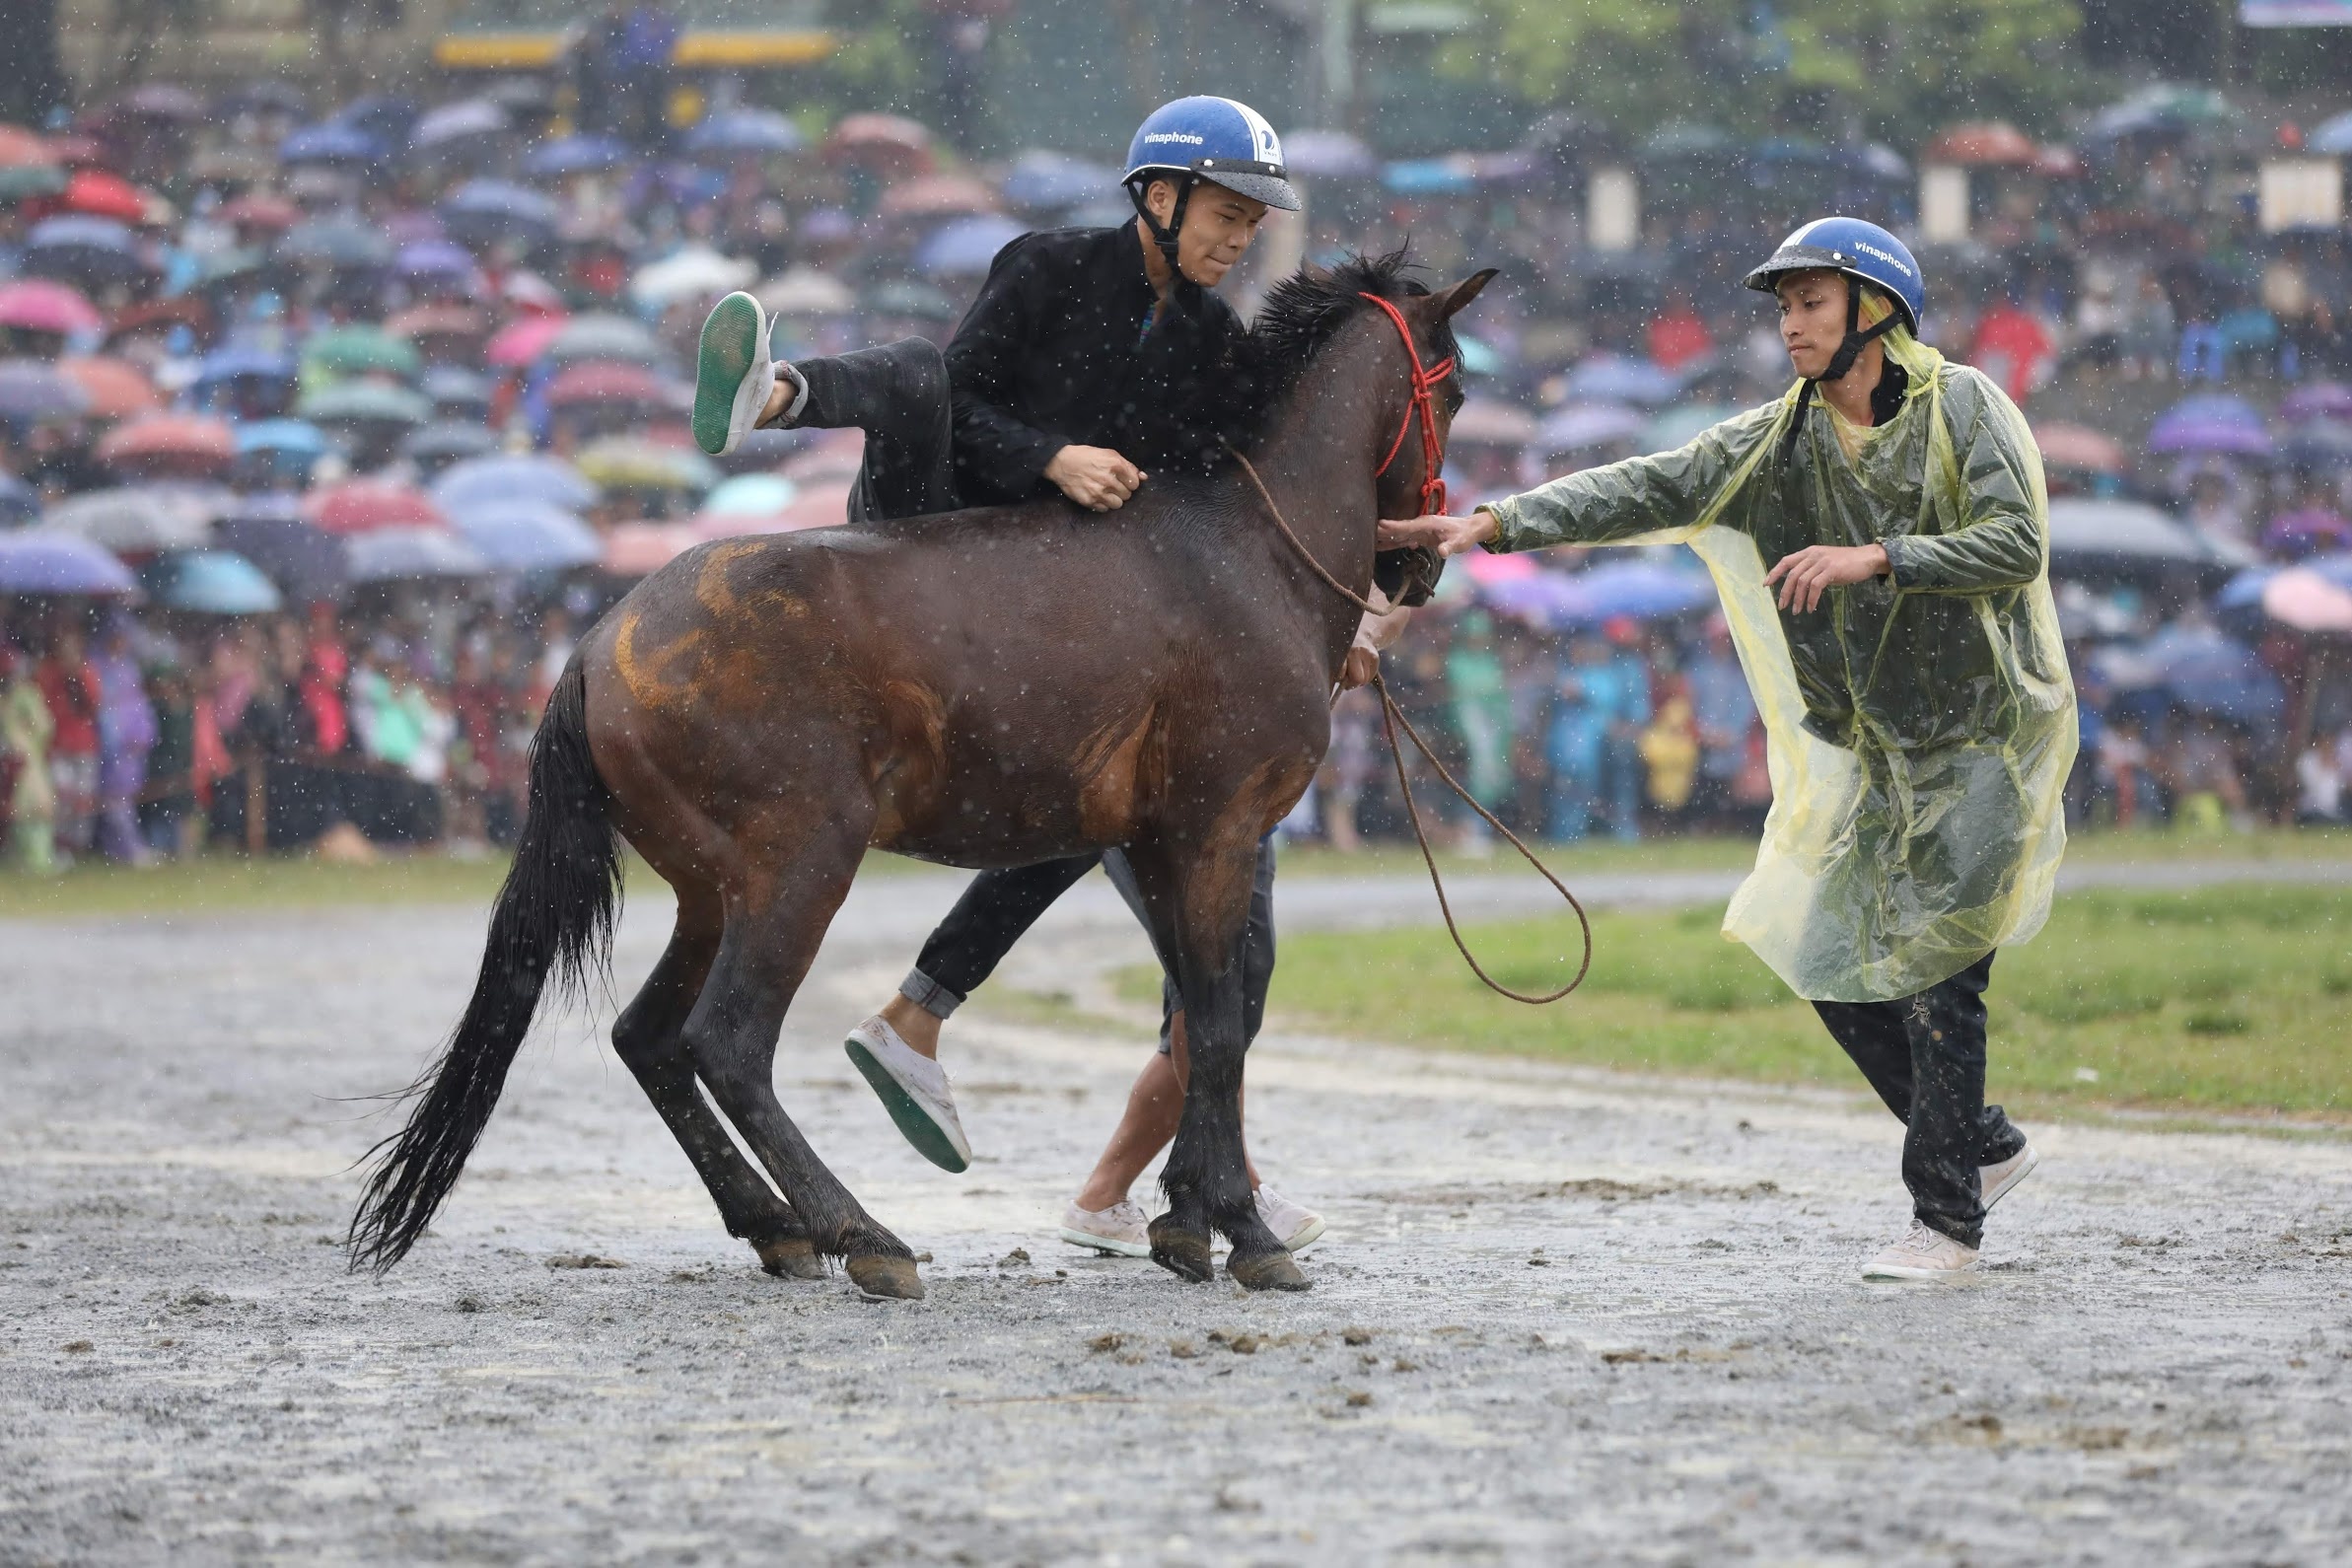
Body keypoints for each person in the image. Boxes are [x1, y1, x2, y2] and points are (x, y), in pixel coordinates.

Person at [688, 96, 1341, 1258]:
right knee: (913, 373)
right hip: (941, 519)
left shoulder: (1206, 335)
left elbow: (1236, 486)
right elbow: (969, 400)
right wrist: (1049, 457)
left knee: (1090, 800)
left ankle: (1148, 1141)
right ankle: (775, 395)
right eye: (1227, 216)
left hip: (1055, 625)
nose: (1239, 241)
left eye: (1253, 223)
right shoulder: (1042, 267)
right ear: (1157, 195)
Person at [1380, 218, 2074, 1282]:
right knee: (1828, 959)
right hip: (1879, 753)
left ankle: (1946, 1226)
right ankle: (1980, 1146)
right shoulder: (1773, 441)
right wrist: (1495, 523)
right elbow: (1647, 486)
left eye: (1811, 304)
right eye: (1783, 307)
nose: (1789, 325)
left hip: (1979, 735)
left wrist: (1874, 558)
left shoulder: (1964, 409)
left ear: (1875, 310)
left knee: (1940, 978)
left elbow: (2016, 540)